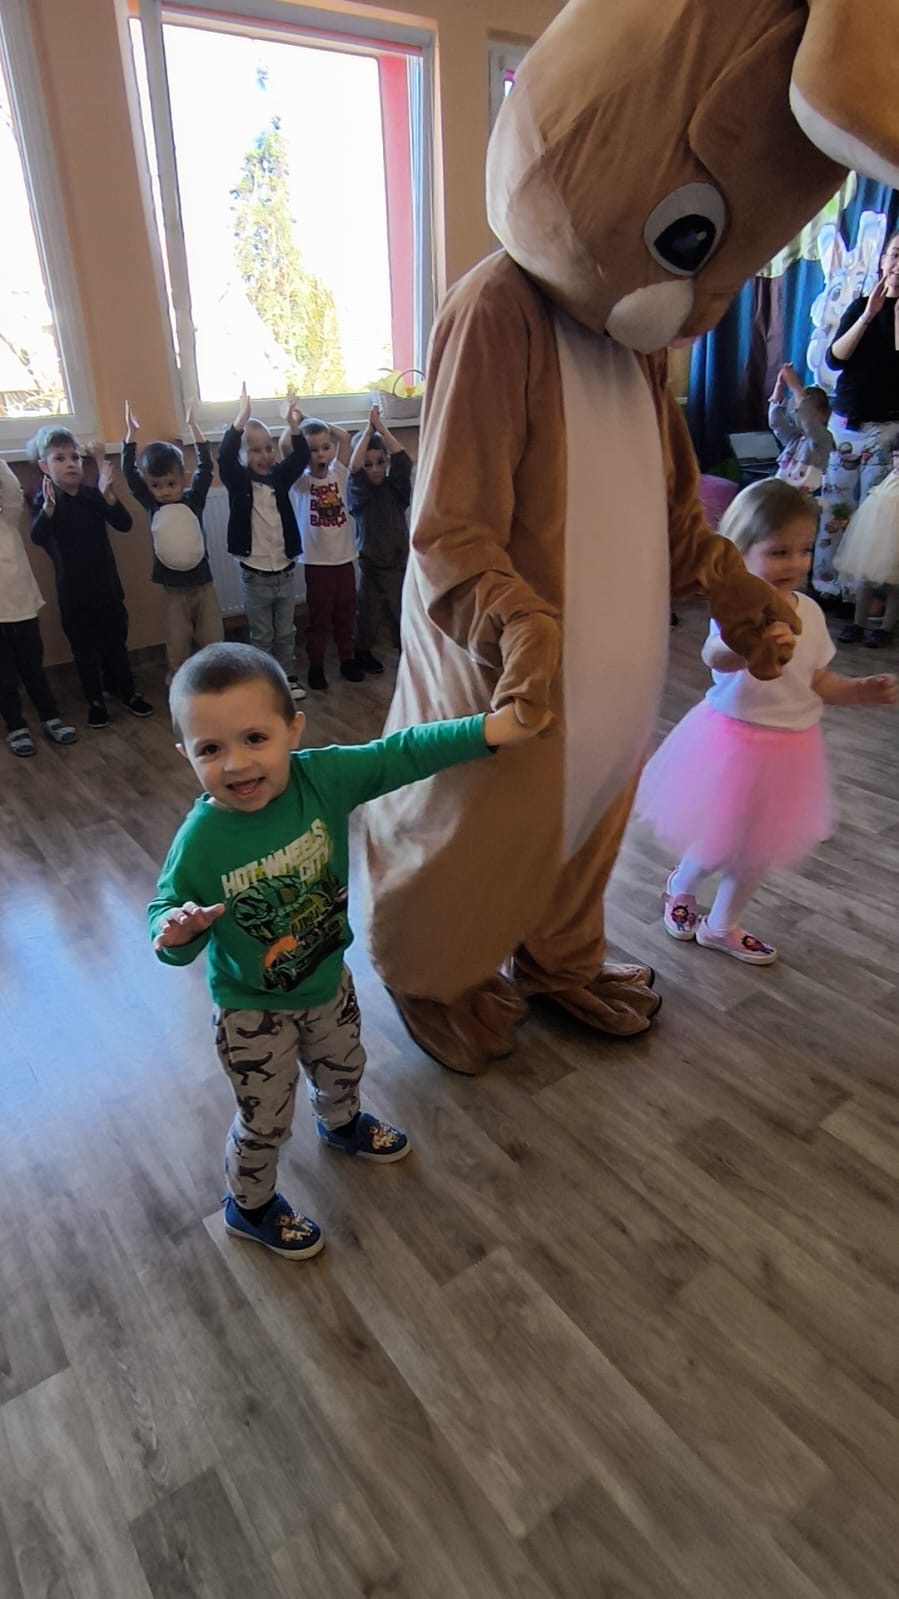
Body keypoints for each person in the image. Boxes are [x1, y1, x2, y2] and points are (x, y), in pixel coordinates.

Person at [148, 641, 544, 1259]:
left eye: (255, 738)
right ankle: (249, 1207)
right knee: (265, 1118)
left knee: (343, 1066)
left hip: (328, 980)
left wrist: (492, 730)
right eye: (210, 750)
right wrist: (176, 932)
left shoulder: (322, 778)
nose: (236, 764)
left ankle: (342, 1124)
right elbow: (167, 916)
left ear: (293, 729)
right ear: (186, 755)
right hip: (252, 1012)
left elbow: (401, 753)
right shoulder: (199, 841)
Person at [635, 479, 896, 964]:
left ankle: (721, 925)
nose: (795, 563)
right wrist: (749, 646)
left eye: (804, 550)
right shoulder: (736, 615)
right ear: (739, 552)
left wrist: (860, 692)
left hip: (792, 752)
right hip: (732, 744)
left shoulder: (810, 613)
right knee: (717, 840)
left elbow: (817, 681)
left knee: (757, 850)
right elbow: (716, 655)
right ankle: (682, 884)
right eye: (779, 552)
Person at [29, 427, 153, 729]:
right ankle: (95, 702)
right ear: (45, 466)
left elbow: (124, 523)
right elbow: (37, 537)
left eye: (75, 457)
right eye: (60, 458)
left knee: (116, 645)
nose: (70, 464)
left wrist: (109, 496)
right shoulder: (46, 500)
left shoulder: (91, 495)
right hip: (73, 594)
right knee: (84, 652)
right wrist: (48, 509)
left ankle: (128, 692)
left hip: (107, 587)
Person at [817, 231, 899, 596]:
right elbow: (835, 359)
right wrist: (868, 315)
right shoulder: (861, 306)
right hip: (847, 426)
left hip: (888, 430)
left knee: (872, 518)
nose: (898, 265)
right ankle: (826, 587)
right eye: (895, 255)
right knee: (836, 511)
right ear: (883, 260)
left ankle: (858, 597)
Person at [218, 386, 309, 702]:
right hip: (255, 574)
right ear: (243, 456)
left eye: (268, 448)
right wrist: (240, 421)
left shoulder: (279, 478)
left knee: (286, 632)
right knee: (262, 636)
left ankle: (288, 678)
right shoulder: (238, 482)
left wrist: (292, 425)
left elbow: (301, 457)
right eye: (255, 450)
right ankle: (263, 683)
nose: (265, 455)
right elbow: (224, 457)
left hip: (284, 570)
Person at [122, 400, 223, 680]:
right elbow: (129, 473)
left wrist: (194, 427)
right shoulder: (152, 505)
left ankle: (215, 679)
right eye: (156, 485)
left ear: (183, 479)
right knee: (177, 643)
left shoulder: (194, 500)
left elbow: (206, 467)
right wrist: (130, 435)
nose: (165, 491)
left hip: (203, 585)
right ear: (148, 485)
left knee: (213, 640)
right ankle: (178, 681)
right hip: (173, 591)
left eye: (171, 484)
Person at [0, 458, 77, 756]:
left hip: (23, 610)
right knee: (4, 678)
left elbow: (11, 490)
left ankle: (50, 717)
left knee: (34, 670)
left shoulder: (7, 521)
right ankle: (16, 726)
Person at [287, 418, 363, 690]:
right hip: (317, 562)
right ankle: (316, 665)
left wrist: (312, 418)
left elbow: (345, 437)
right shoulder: (300, 482)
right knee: (319, 617)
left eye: (325, 447)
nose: (320, 454)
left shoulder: (339, 473)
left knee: (346, 612)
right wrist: (295, 424)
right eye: (313, 450)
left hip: (344, 559)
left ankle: (347, 658)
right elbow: (286, 447)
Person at [347, 405, 412, 674]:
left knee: (400, 610)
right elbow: (354, 468)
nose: (374, 469)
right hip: (371, 564)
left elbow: (403, 460)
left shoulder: (395, 488)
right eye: (369, 464)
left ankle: (406, 653)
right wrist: (367, 431)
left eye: (380, 462)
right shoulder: (359, 492)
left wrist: (381, 428)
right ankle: (362, 651)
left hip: (396, 562)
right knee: (368, 613)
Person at [834, 454, 899, 648]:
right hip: (877, 536)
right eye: (896, 456)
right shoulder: (891, 477)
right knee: (864, 577)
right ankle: (858, 624)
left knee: (895, 584)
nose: (897, 461)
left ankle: (885, 629)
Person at [767, 363, 833, 493]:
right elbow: (776, 423)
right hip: (781, 495)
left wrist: (795, 387)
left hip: (802, 498)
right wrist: (778, 390)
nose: (799, 415)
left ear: (826, 414)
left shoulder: (823, 439)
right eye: (796, 411)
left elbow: (809, 423)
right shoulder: (795, 439)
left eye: (803, 410)